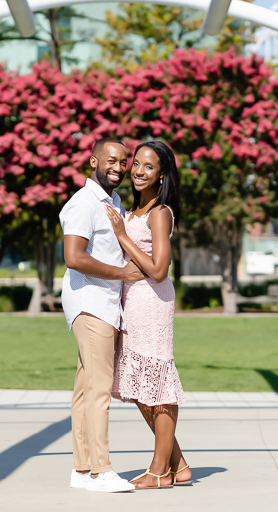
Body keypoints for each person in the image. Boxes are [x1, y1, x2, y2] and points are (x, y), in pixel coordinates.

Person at [59, 137, 144, 493]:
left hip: (105, 305)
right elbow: (74, 257)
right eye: (111, 160)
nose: (119, 167)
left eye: (123, 162)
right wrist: (124, 274)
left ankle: (82, 470)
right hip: (90, 303)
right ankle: (102, 471)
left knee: (84, 390)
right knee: (98, 391)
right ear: (92, 162)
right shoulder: (83, 203)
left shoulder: (114, 202)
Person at [106, 141, 191, 490]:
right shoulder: (130, 209)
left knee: (157, 383)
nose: (139, 171)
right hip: (130, 302)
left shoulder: (160, 212)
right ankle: (178, 464)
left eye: (149, 166)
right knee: (141, 386)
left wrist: (123, 237)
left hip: (152, 303)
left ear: (162, 174)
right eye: (136, 164)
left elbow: (159, 269)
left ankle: (159, 472)